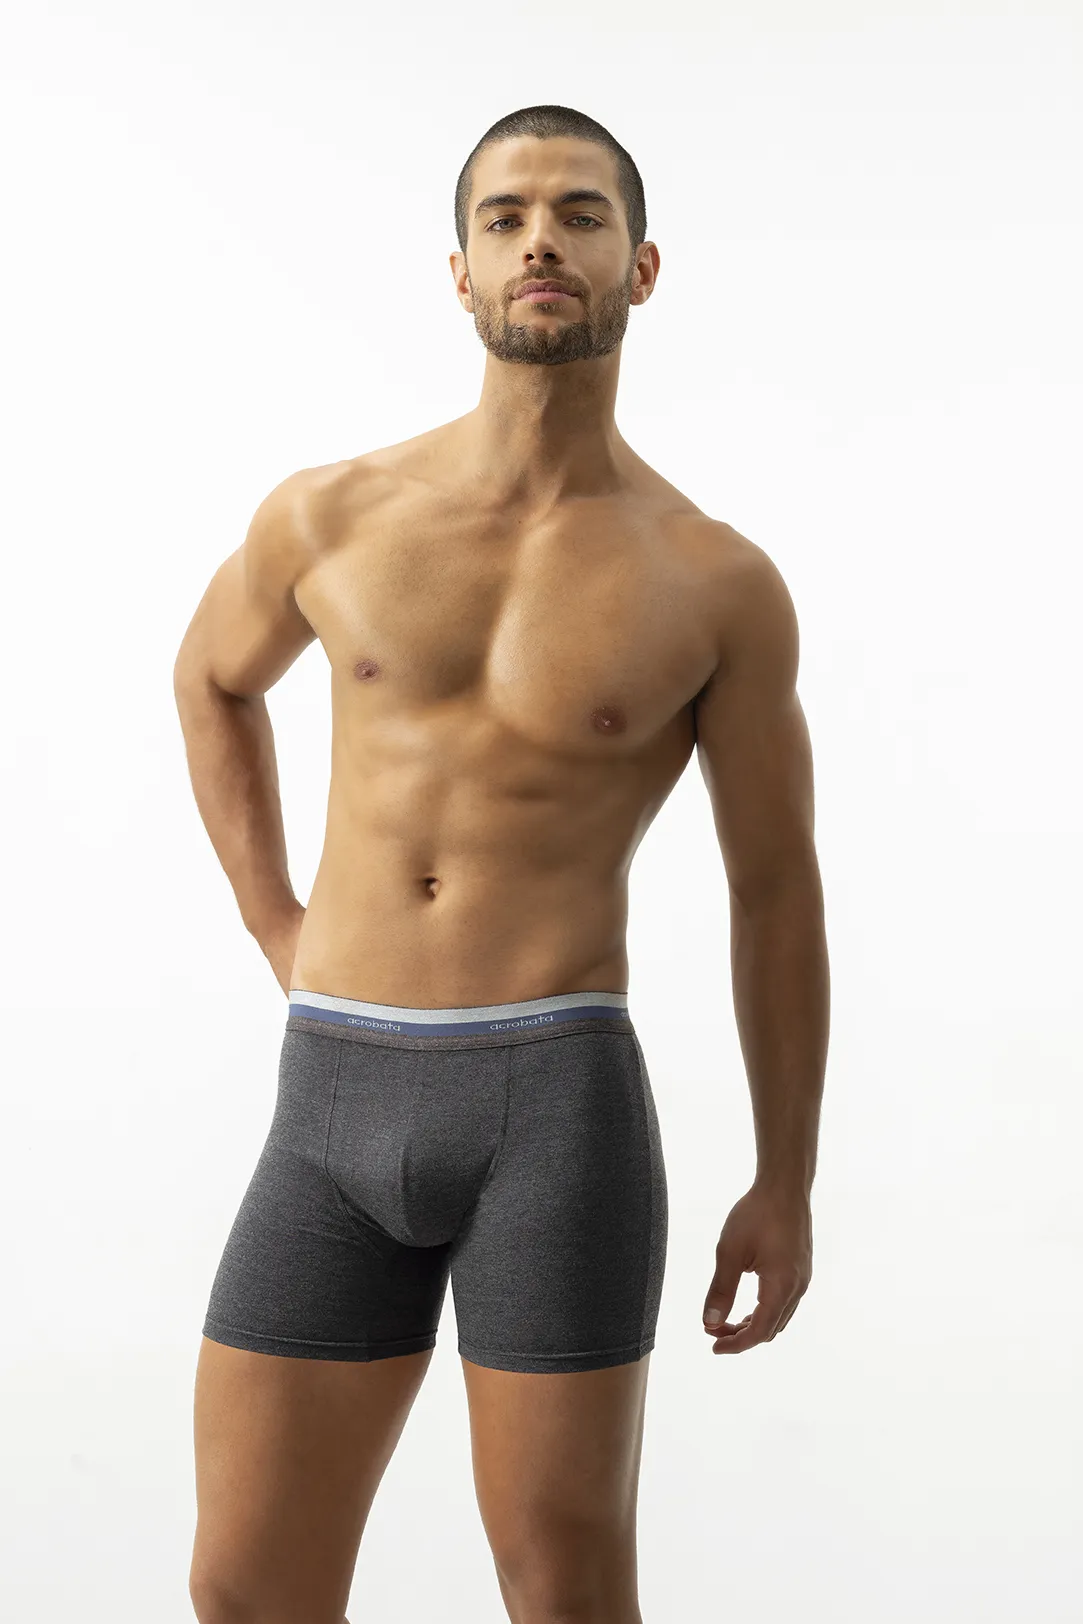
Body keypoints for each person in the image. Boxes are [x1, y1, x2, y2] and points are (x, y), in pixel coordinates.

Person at [173, 102, 829, 1624]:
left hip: (556, 1107)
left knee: (562, 1586)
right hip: (333, 1093)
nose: (543, 239)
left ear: (639, 268)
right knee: (244, 1586)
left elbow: (773, 888)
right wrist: (275, 922)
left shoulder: (714, 580)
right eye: (507, 215)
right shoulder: (328, 514)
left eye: (582, 214)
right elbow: (210, 680)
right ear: (459, 269)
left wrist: (785, 1178)